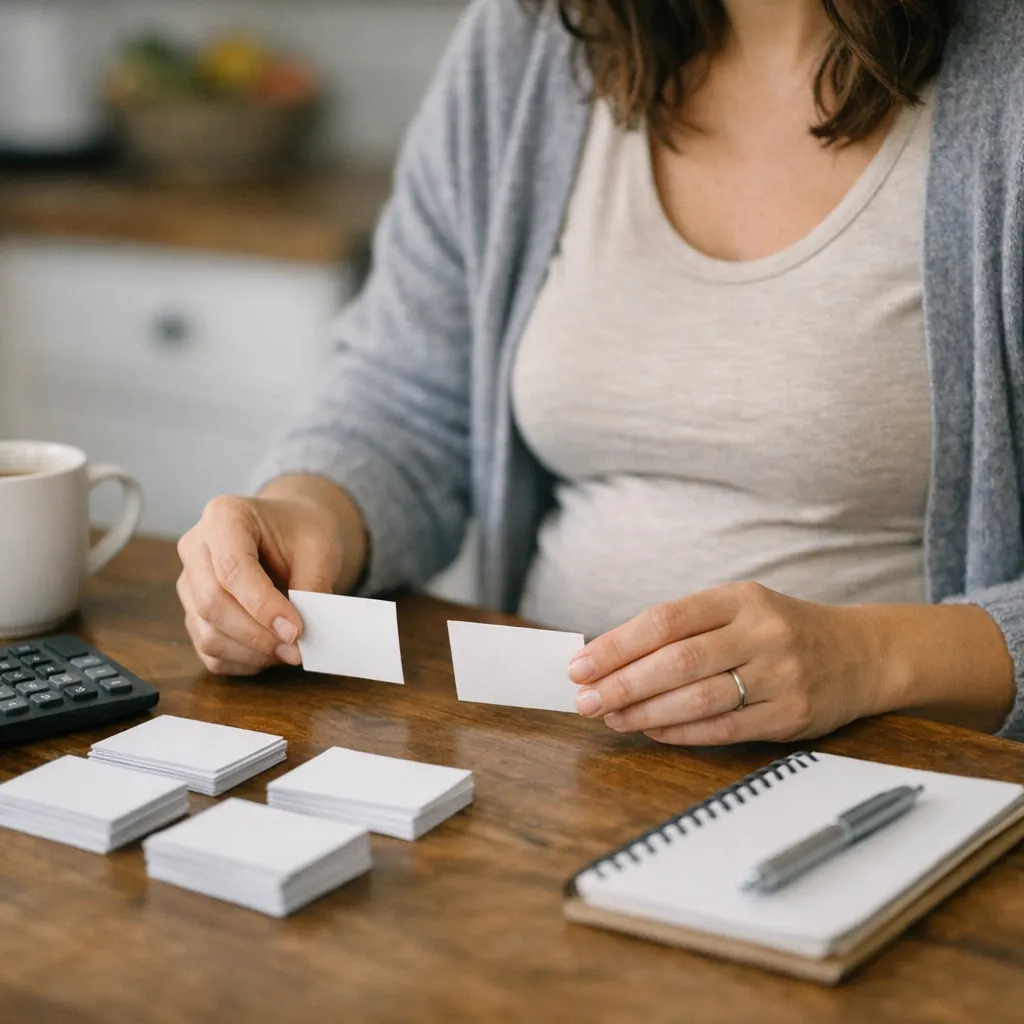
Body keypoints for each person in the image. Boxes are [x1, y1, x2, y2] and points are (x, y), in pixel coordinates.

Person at [176, 0, 1024, 745]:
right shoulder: (530, 40)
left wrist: (870, 659)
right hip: (552, 759)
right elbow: (405, 397)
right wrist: (305, 512)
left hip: (891, 780)